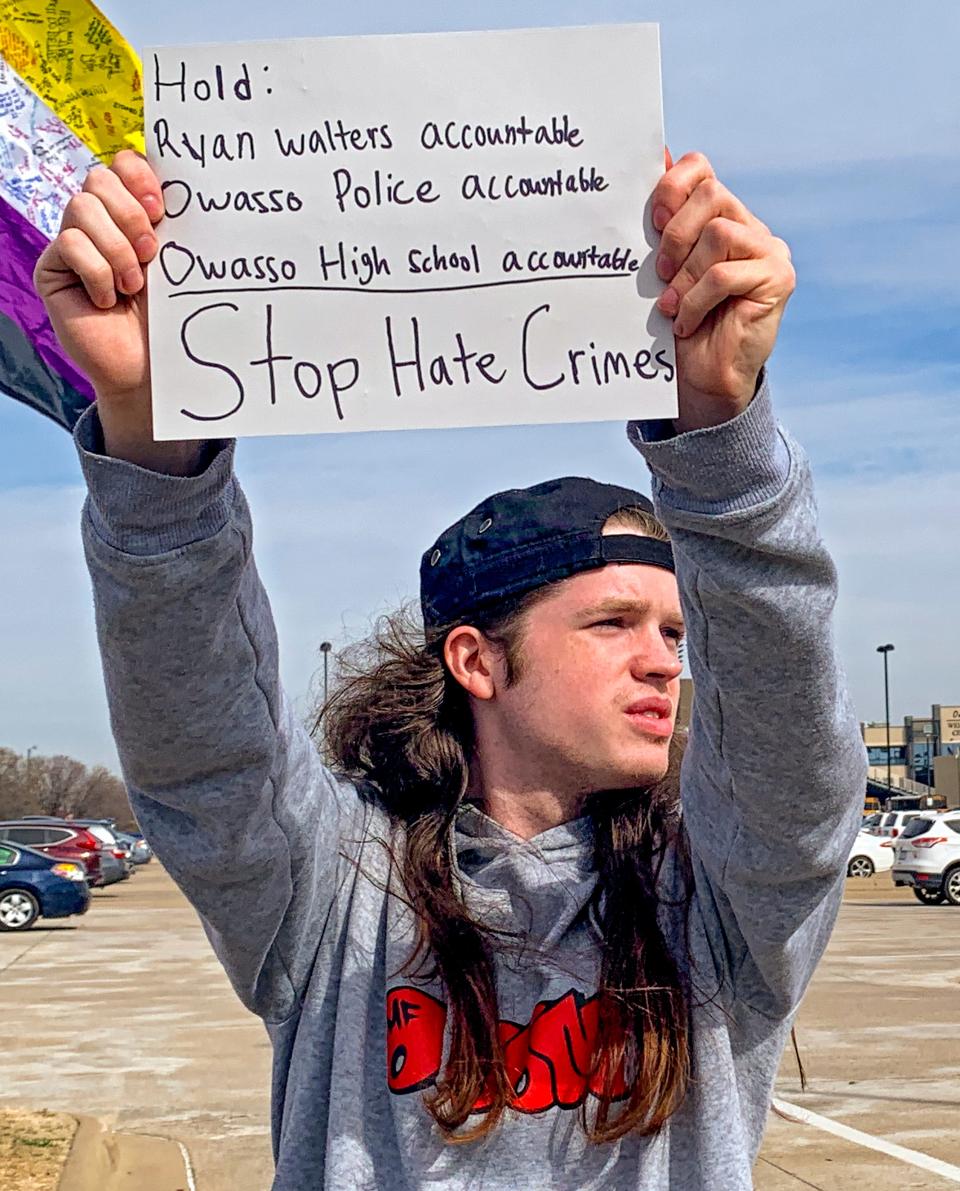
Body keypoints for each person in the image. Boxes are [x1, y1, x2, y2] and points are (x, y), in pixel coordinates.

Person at [35, 148, 866, 1191]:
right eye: (614, 622)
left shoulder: (719, 896)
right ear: (476, 660)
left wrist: (720, 439)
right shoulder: (335, 886)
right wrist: (157, 440)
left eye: (675, 633)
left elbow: (792, 751)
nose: (663, 664)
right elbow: (201, 749)